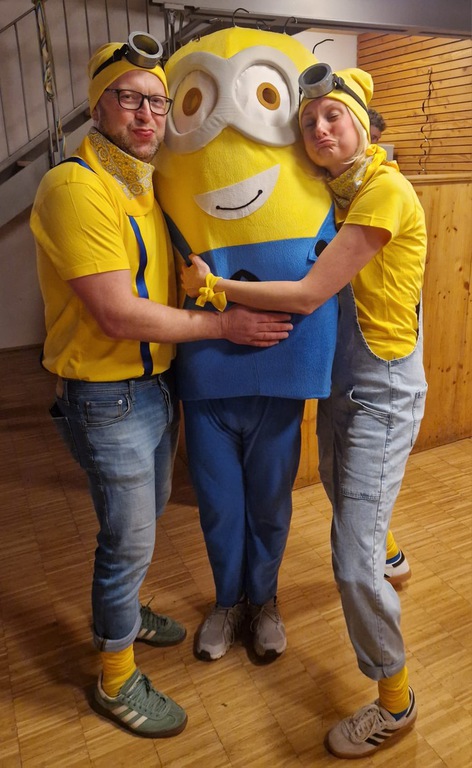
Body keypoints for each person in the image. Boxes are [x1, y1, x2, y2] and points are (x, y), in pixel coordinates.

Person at [29, 32, 293, 740]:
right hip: (106, 397)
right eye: (129, 99)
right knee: (127, 541)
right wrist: (224, 325)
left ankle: (126, 611)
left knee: (134, 532)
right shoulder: (76, 187)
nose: (147, 115)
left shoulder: (140, 184)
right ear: (97, 105)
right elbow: (117, 313)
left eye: (157, 101)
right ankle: (115, 679)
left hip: (152, 388)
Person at [182, 62, 427, 758]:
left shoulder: (383, 192)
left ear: (364, 123)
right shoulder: (338, 194)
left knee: (350, 564)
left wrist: (214, 289)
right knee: (346, 495)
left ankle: (395, 701)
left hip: (382, 391)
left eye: (333, 116)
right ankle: (391, 551)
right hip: (343, 383)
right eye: (309, 121)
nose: (319, 129)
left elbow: (308, 294)